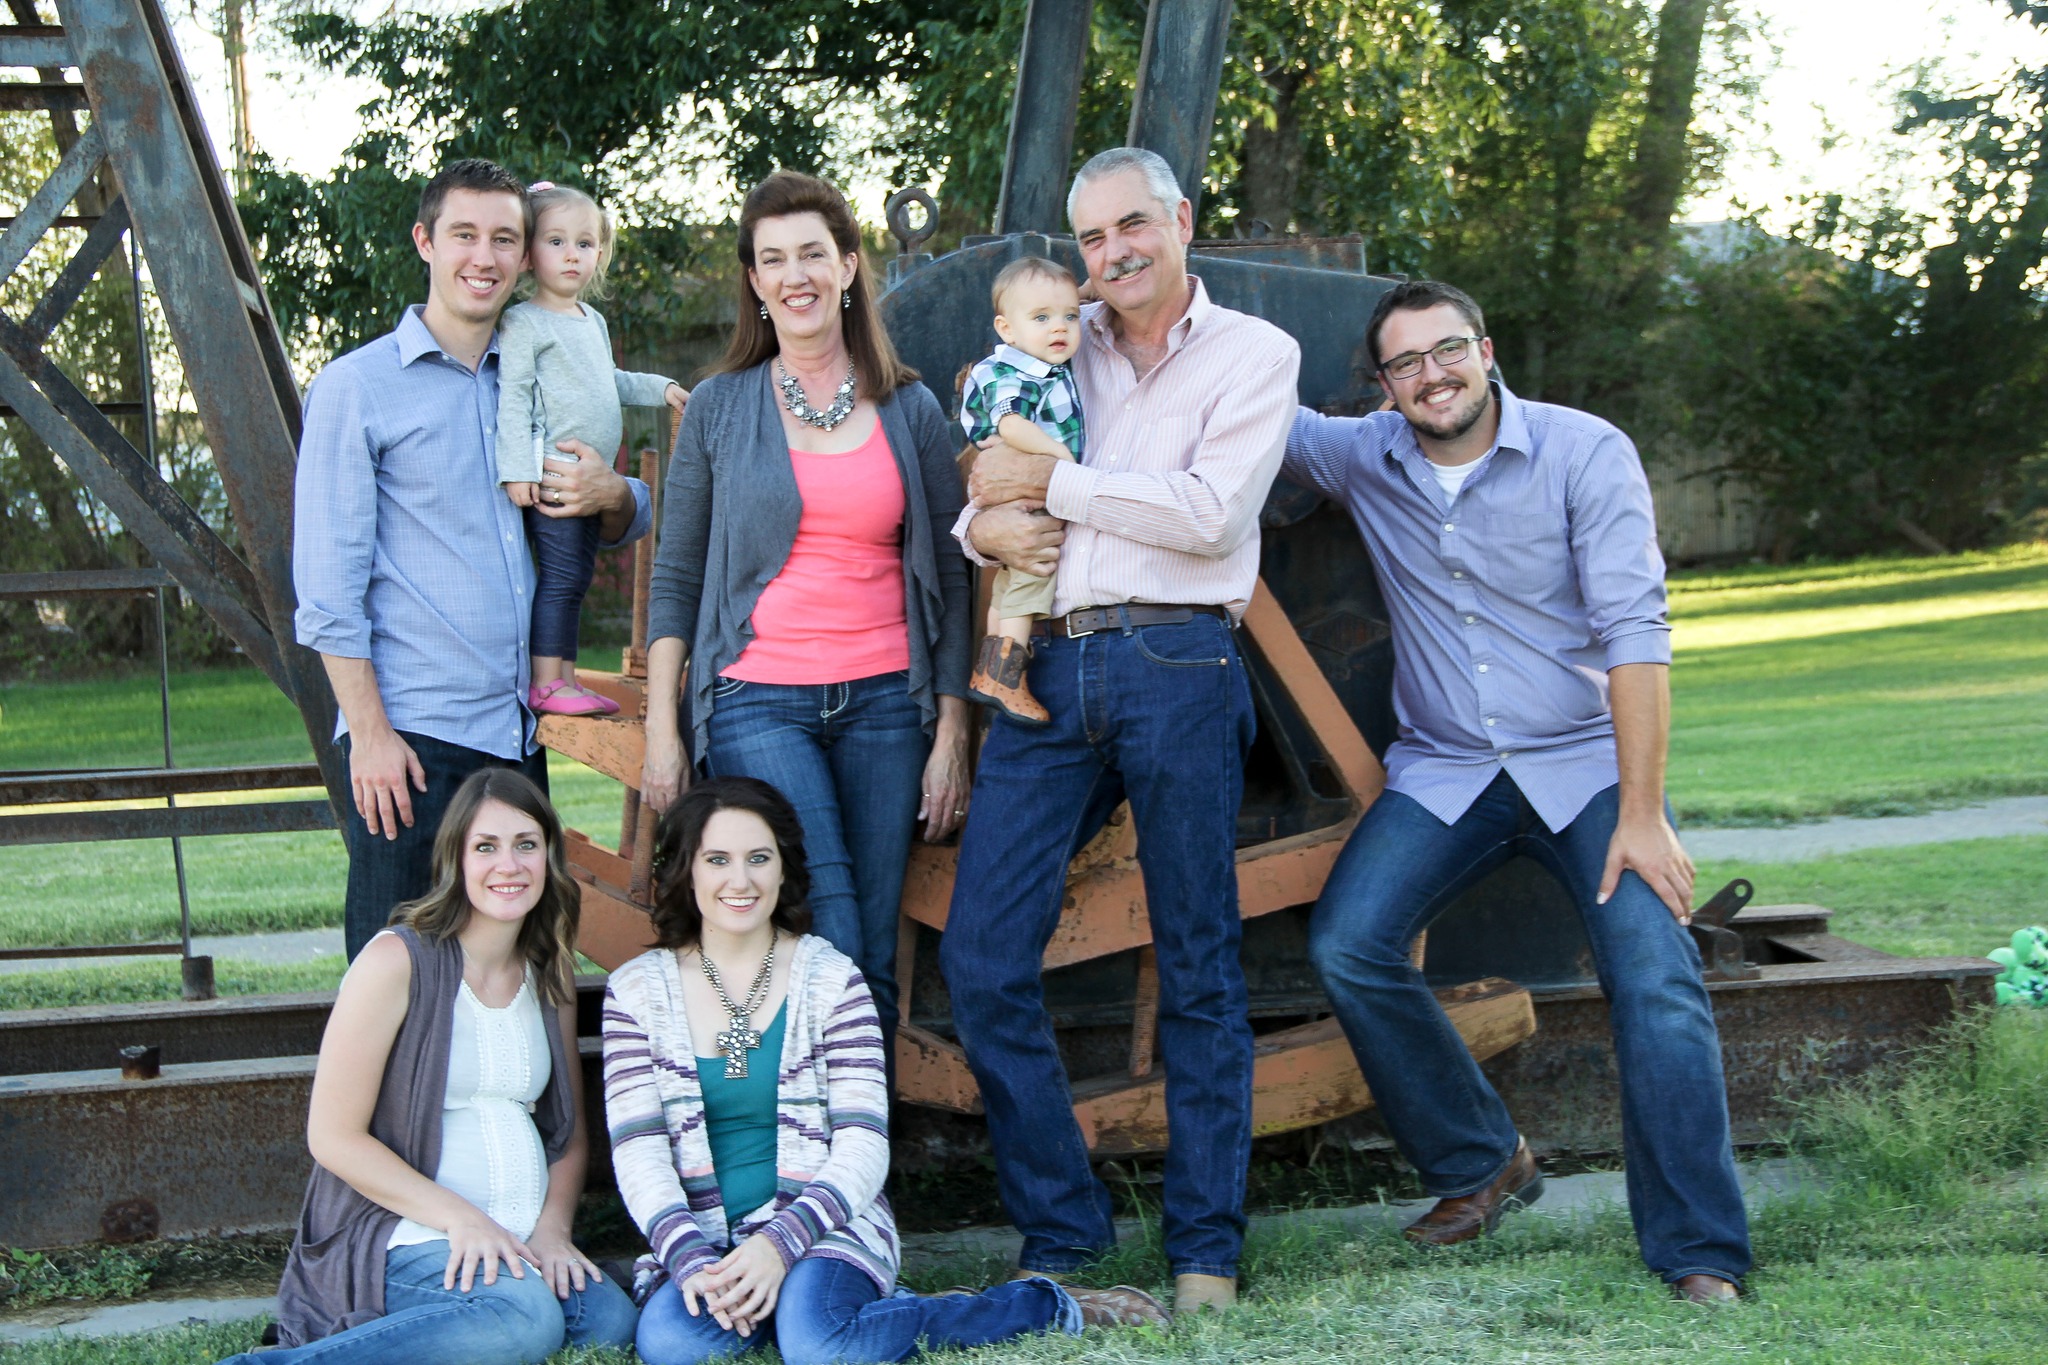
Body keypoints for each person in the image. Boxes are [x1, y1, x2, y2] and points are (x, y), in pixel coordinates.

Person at [1282, 279, 1751, 1303]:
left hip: (1585, 766)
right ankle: (1481, 1161)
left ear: (1484, 350)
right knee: (1347, 945)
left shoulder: (1585, 452)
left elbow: (1636, 637)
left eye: (1445, 351)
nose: (1429, 376)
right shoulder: (1364, 453)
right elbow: (1241, 406)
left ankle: (1699, 1251)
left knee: (1654, 977)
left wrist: (1640, 815)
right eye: (1403, 363)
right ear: (1383, 386)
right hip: (1448, 769)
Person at [938, 146, 1300, 1314]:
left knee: (1197, 960)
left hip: (1178, 658)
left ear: (1181, 221)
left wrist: (1047, 489)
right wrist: (977, 535)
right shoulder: (1055, 344)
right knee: (982, 954)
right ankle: (1067, 1231)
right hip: (1047, 668)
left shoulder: (1255, 355)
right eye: (1091, 239)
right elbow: (981, 486)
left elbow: (1205, 516)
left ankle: (1205, 1251)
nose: (1111, 257)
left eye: (1131, 227)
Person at [602, 775, 1168, 1364]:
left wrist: (778, 1245)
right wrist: (692, 1259)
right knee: (671, 1346)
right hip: (708, 1240)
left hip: (825, 1227)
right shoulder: (637, 993)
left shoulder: (832, 980)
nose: (740, 880)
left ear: (784, 867)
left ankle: (1044, 1305)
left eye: (758, 858)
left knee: (822, 1349)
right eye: (717, 859)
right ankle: (851, 1312)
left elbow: (863, 1144)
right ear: (686, 871)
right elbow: (638, 1152)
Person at [639, 170, 972, 1065]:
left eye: (814, 254)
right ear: (753, 279)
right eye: (773, 258)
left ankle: (860, 1175)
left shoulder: (912, 409)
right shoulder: (717, 408)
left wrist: (950, 730)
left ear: (850, 265)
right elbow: (676, 578)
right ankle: (817, 1166)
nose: (796, 275)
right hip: (758, 701)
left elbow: (950, 573)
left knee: (873, 936)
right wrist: (663, 731)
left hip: (886, 704)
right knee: (831, 930)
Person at [294, 158, 654, 960]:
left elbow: (620, 517)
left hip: (515, 735)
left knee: (512, 985)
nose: (483, 258)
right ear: (426, 241)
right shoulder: (359, 389)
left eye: (504, 239)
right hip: (413, 743)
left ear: (525, 256)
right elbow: (326, 589)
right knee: (401, 989)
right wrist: (372, 733)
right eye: (464, 235)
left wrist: (615, 492)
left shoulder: (533, 373)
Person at [223, 768, 638, 1363]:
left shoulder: (549, 972)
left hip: (515, 1239)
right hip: (403, 1233)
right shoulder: (398, 961)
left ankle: (445, 1324)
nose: (509, 865)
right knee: (524, 1319)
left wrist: (552, 1231)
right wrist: (459, 1219)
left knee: (606, 1321)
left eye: (526, 845)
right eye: (486, 847)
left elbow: (566, 1134)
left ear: (549, 857)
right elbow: (332, 1137)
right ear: (456, 860)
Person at [495, 181, 687, 717]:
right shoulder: (523, 321)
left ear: (599, 252)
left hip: (586, 481)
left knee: (575, 578)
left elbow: (612, 380)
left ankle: (565, 678)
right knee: (559, 579)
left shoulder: (592, 321)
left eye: (585, 243)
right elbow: (511, 397)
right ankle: (546, 682)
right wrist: (516, 469)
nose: (572, 254)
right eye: (556, 241)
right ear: (530, 253)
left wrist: (661, 389)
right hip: (553, 473)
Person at [958, 255, 1087, 725]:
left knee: (1015, 577)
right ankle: (1006, 677)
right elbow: (1010, 424)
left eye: (1070, 316)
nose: (1060, 327)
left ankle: (992, 672)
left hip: (1022, 482)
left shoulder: (1039, 365)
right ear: (1006, 328)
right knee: (1033, 571)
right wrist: (1061, 460)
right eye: (1041, 318)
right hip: (1025, 485)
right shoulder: (1015, 372)